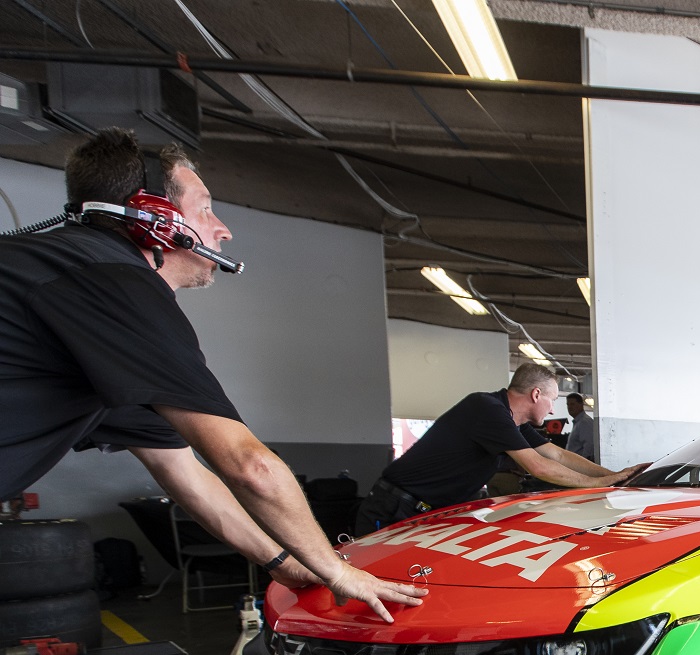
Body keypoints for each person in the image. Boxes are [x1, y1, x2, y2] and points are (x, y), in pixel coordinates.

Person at [0, 128, 423, 623]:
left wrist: (283, 562)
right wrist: (337, 569)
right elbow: (249, 465)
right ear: (155, 218)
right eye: (205, 208)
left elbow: (183, 472)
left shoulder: (76, 285)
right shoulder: (114, 284)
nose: (222, 229)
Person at [354, 364, 647, 535]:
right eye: (552, 399)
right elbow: (539, 467)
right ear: (536, 394)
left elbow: (556, 454)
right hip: (394, 508)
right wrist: (601, 484)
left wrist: (615, 475)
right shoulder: (487, 409)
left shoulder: (512, 421)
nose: (552, 407)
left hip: (426, 512)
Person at [564, 392, 597, 463]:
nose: (569, 407)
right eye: (568, 405)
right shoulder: (578, 423)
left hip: (580, 466)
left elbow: (590, 446)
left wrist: (583, 464)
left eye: (572, 404)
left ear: (581, 405)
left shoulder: (585, 422)